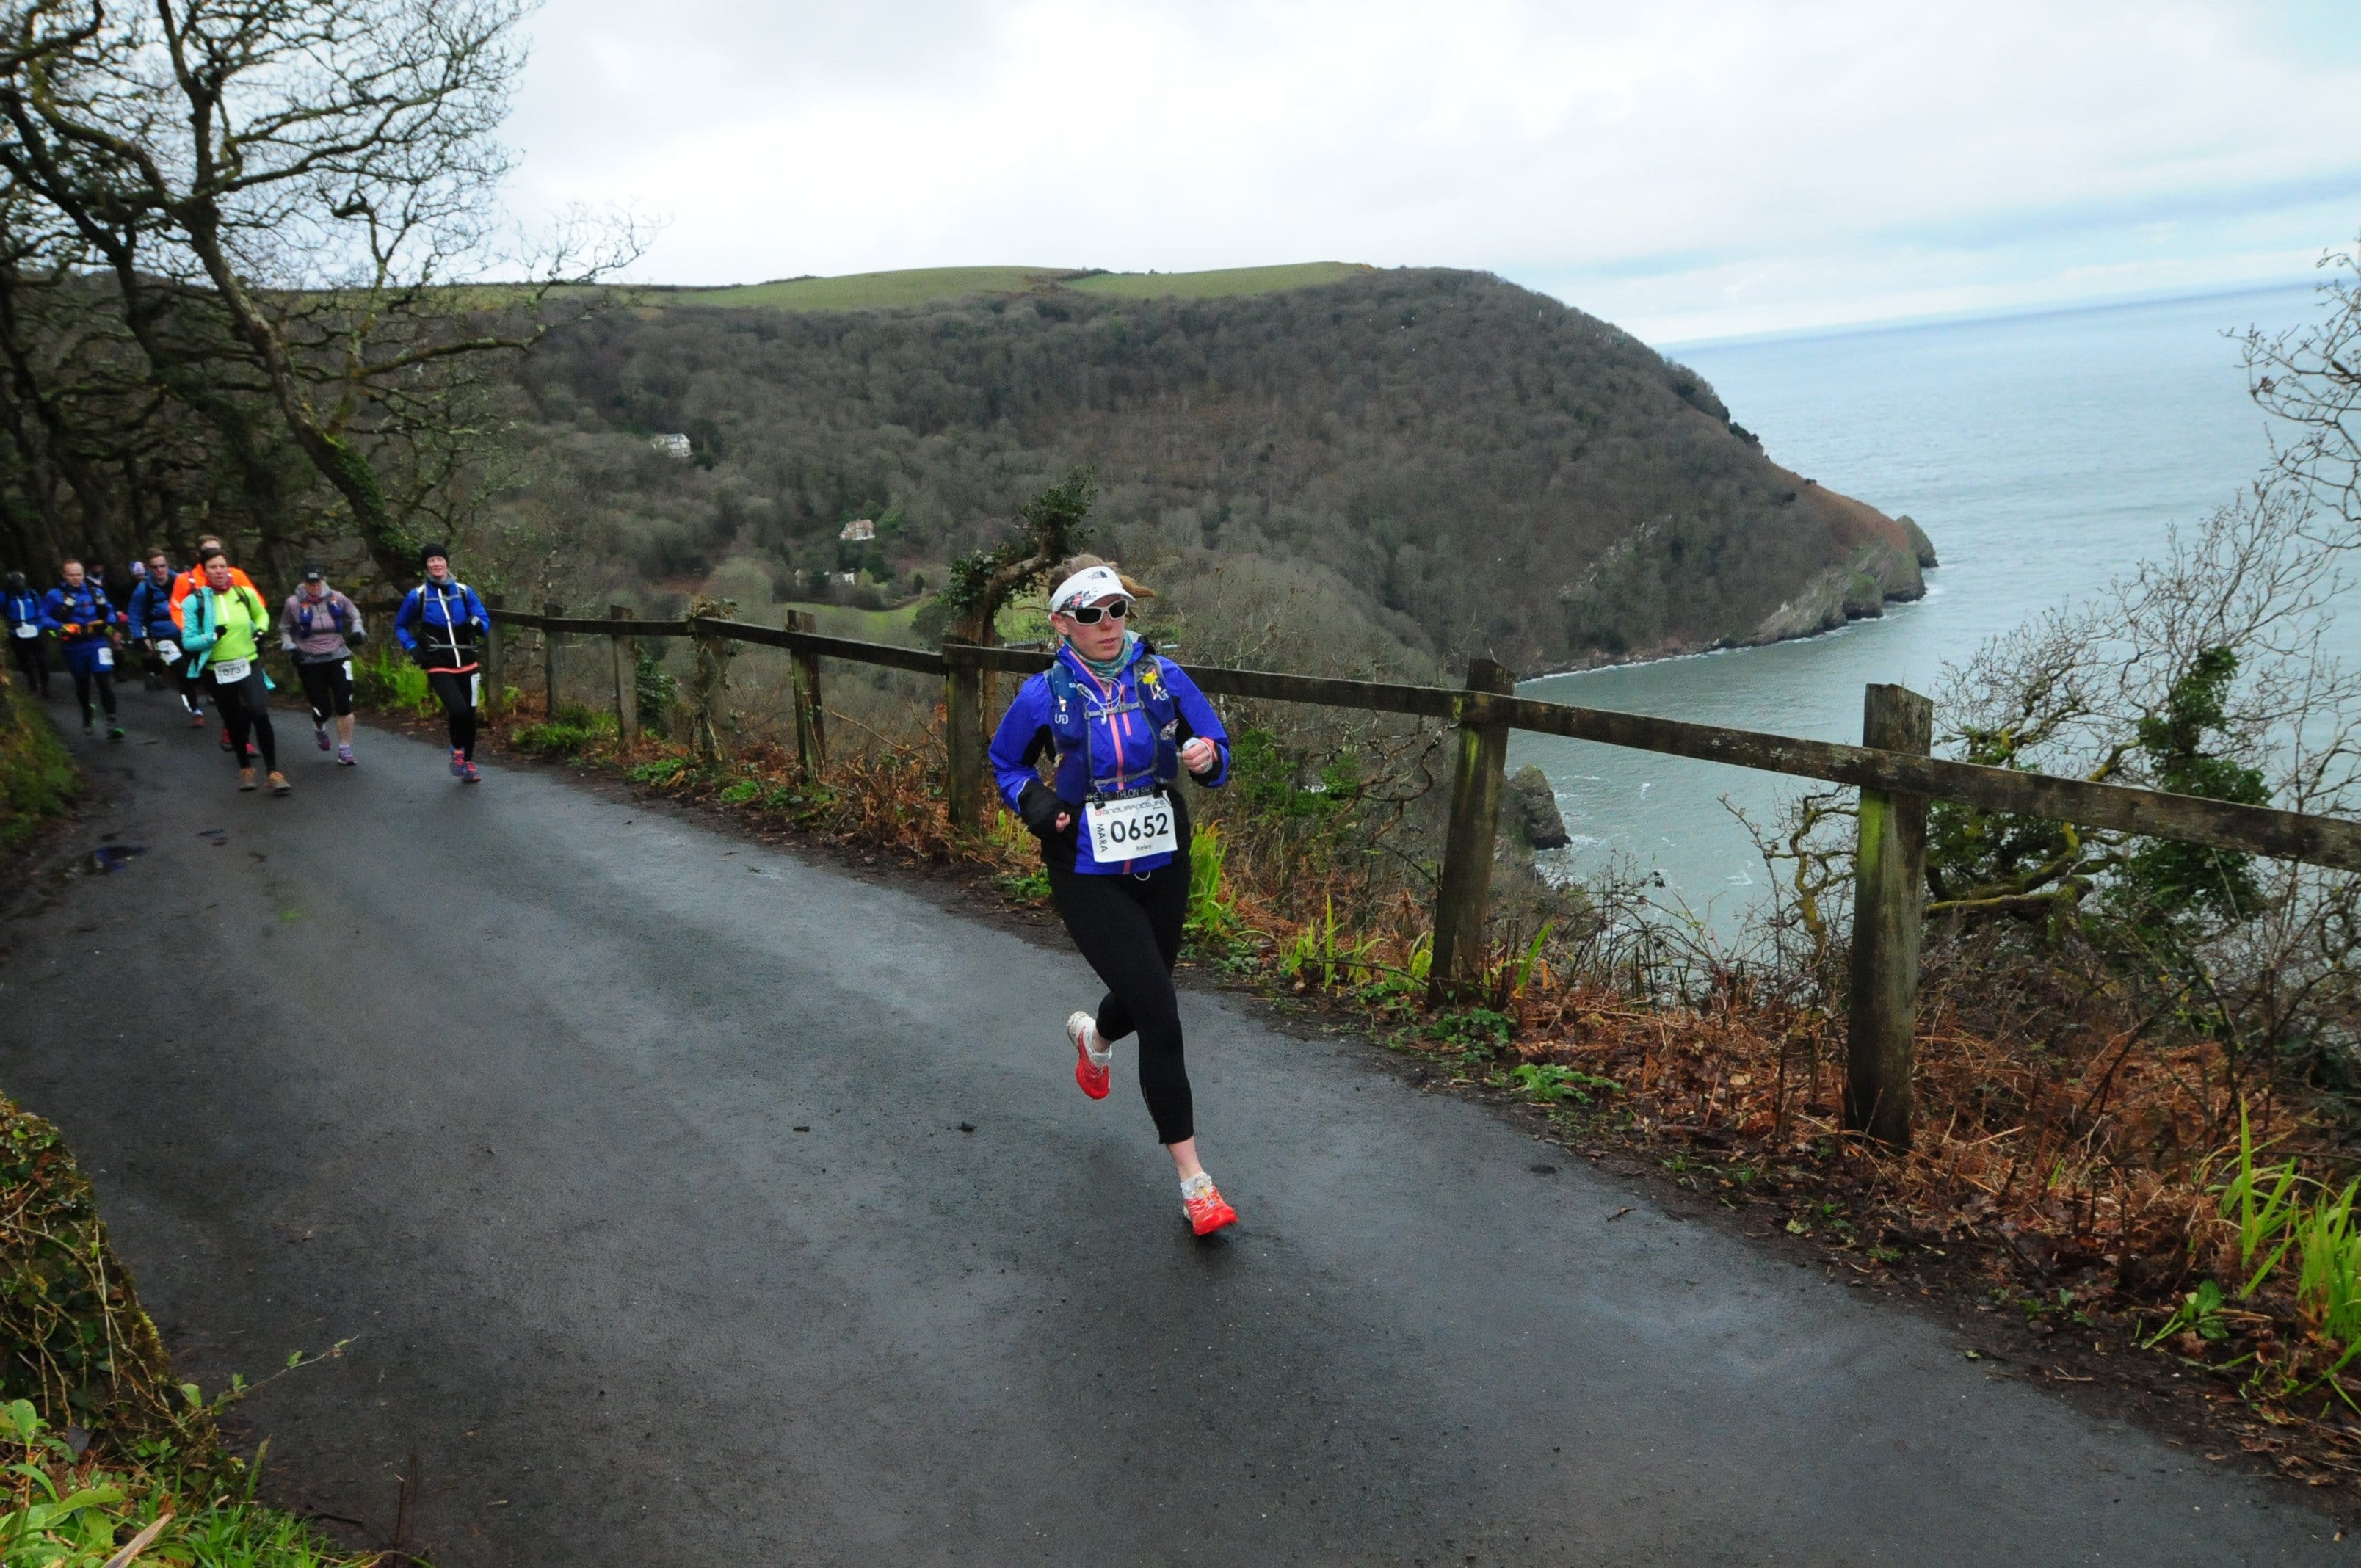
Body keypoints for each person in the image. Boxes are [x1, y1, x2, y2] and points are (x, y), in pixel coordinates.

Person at [987, 557, 1238, 1236]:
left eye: (1118, 611)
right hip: (1087, 869)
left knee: (1145, 987)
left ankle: (1093, 1039)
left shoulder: (1163, 675)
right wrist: (1034, 800)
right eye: (1092, 615)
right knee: (1161, 1012)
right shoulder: (1045, 693)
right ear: (1062, 623)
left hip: (1162, 856)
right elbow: (1005, 761)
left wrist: (1207, 758)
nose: (1108, 625)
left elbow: (1215, 743)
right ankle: (1196, 1182)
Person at [181, 551, 287, 795]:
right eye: (213, 567)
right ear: (204, 572)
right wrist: (211, 637)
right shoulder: (194, 602)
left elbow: (262, 614)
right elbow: (188, 641)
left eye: (222, 566)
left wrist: (260, 630)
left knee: (259, 712)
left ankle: (273, 772)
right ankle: (245, 767)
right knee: (234, 720)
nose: (219, 571)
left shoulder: (243, 593)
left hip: (248, 663)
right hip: (217, 669)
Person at [393, 543, 490, 783]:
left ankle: (467, 762)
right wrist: (412, 648)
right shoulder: (418, 596)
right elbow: (400, 625)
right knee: (457, 709)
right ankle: (457, 751)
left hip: (468, 661)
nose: (436, 564)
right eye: (431, 561)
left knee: (469, 714)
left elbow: (484, 619)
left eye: (440, 559)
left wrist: (476, 624)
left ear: (447, 562)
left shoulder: (465, 591)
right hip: (438, 662)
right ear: (426, 566)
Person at [170, 537, 257, 741]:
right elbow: (176, 608)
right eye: (208, 553)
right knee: (223, 694)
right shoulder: (186, 579)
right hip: (205, 644)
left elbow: (255, 602)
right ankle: (231, 726)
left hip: (238, 641)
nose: (217, 568)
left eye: (217, 551)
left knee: (249, 696)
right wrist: (196, 633)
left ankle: (241, 734)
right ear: (198, 556)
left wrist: (251, 627)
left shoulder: (235, 574)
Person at [280, 562, 363, 764]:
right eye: (310, 582)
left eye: (317, 581)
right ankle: (319, 726)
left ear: (323, 579)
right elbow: (285, 629)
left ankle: (345, 748)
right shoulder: (293, 603)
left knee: (344, 703)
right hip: (310, 660)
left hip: (338, 655)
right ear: (303, 582)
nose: (315, 585)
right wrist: (290, 648)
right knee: (322, 708)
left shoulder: (337, 597)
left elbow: (355, 615)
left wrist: (358, 632)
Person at [39, 560, 124, 739]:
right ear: (64, 576)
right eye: (71, 575)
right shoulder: (55, 596)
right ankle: (87, 712)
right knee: (82, 684)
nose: (76, 578)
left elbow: (109, 611)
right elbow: (43, 617)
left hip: (98, 644)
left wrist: (107, 622)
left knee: (104, 682)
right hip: (74, 647)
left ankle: (112, 723)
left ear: (83, 574)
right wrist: (61, 627)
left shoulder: (95, 592)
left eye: (79, 574)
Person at [126, 553, 181, 692]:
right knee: (155, 654)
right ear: (149, 569)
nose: (159, 570)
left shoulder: (181, 582)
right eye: (154, 567)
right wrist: (138, 636)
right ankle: (153, 675)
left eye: (162, 566)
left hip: (183, 630)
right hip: (158, 631)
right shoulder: (143, 589)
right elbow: (135, 614)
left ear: (167, 566)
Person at [2, 571, 50, 698]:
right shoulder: (5, 597)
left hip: (36, 630)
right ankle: (33, 686)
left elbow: (41, 610)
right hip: (16, 632)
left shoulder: (32, 595)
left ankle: (45, 687)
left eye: (21, 582)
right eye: (16, 582)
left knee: (42, 660)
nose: (19, 585)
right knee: (25, 662)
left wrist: (44, 625)